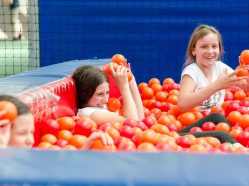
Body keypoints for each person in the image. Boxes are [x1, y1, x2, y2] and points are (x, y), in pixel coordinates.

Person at [178, 24, 248, 113]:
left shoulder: (221, 68)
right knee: (217, 117)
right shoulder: (191, 72)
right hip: (196, 121)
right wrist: (217, 85)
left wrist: (245, 72)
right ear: (193, 50)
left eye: (214, 46)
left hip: (218, 121)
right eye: (204, 47)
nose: (210, 51)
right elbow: (182, 104)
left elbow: (245, 86)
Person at [72, 64, 144, 124]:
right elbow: (133, 124)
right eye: (99, 94)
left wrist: (131, 80)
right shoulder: (90, 114)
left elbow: (140, 119)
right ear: (84, 94)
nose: (106, 100)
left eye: (107, 92)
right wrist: (124, 87)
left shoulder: (99, 107)